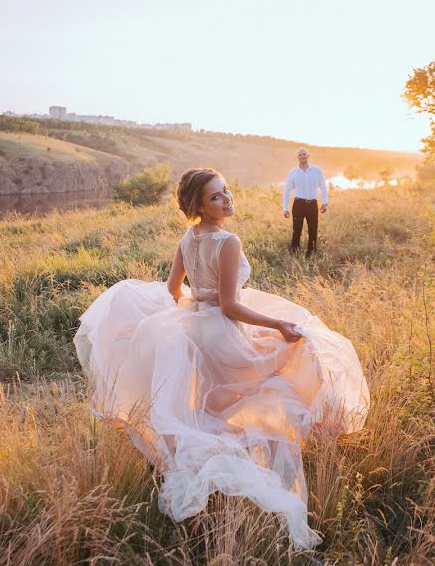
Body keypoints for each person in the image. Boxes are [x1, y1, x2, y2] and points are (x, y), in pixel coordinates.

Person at [74, 167, 370, 549]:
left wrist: (196, 306)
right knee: (298, 348)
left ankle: (211, 457)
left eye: (227, 190)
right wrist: (279, 323)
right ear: (198, 204)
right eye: (216, 196)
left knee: (214, 400)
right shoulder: (228, 241)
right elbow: (231, 306)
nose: (227, 198)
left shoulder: (189, 236)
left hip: (197, 327)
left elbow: (172, 288)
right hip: (223, 332)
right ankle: (258, 454)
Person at [283, 148, 328, 256]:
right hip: (298, 204)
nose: (302, 156)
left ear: (308, 156)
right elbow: (288, 190)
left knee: (313, 230)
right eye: (300, 155)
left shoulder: (317, 170)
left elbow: (323, 186)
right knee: (296, 231)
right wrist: (285, 208)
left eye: (304, 154)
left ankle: (311, 253)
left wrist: (325, 202)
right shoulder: (292, 172)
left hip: (312, 204)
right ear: (297, 157)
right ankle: (295, 253)